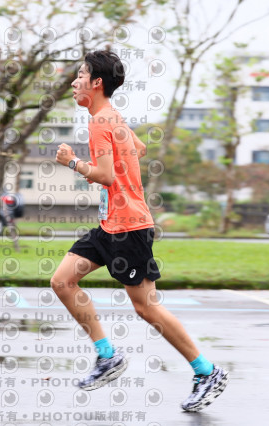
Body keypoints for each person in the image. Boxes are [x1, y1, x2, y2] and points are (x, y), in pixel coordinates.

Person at [52, 50, 229, 412]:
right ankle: (107, 356)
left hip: (128, 228)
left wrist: (72, 161)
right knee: (62, 281)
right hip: (109, 226)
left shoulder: (100, 122)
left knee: (146, 308)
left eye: (80, 75)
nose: (73, 82)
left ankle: (206, 371)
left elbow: (105, 176)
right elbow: (140, 147)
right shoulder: (111, 117)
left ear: (96, 83)